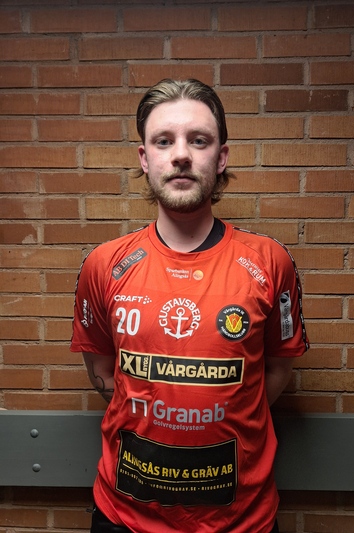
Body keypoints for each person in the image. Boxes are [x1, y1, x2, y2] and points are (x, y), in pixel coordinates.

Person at [70, 78, 309, 533]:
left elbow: (277, 371)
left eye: (198, 140)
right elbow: (103, 372)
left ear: (221, 157)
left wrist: (221, 409)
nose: (181, 154)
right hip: (125, 518)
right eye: (164, 141)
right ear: (145, 158)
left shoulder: (269, 262)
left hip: (242, 521)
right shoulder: (104, 265)